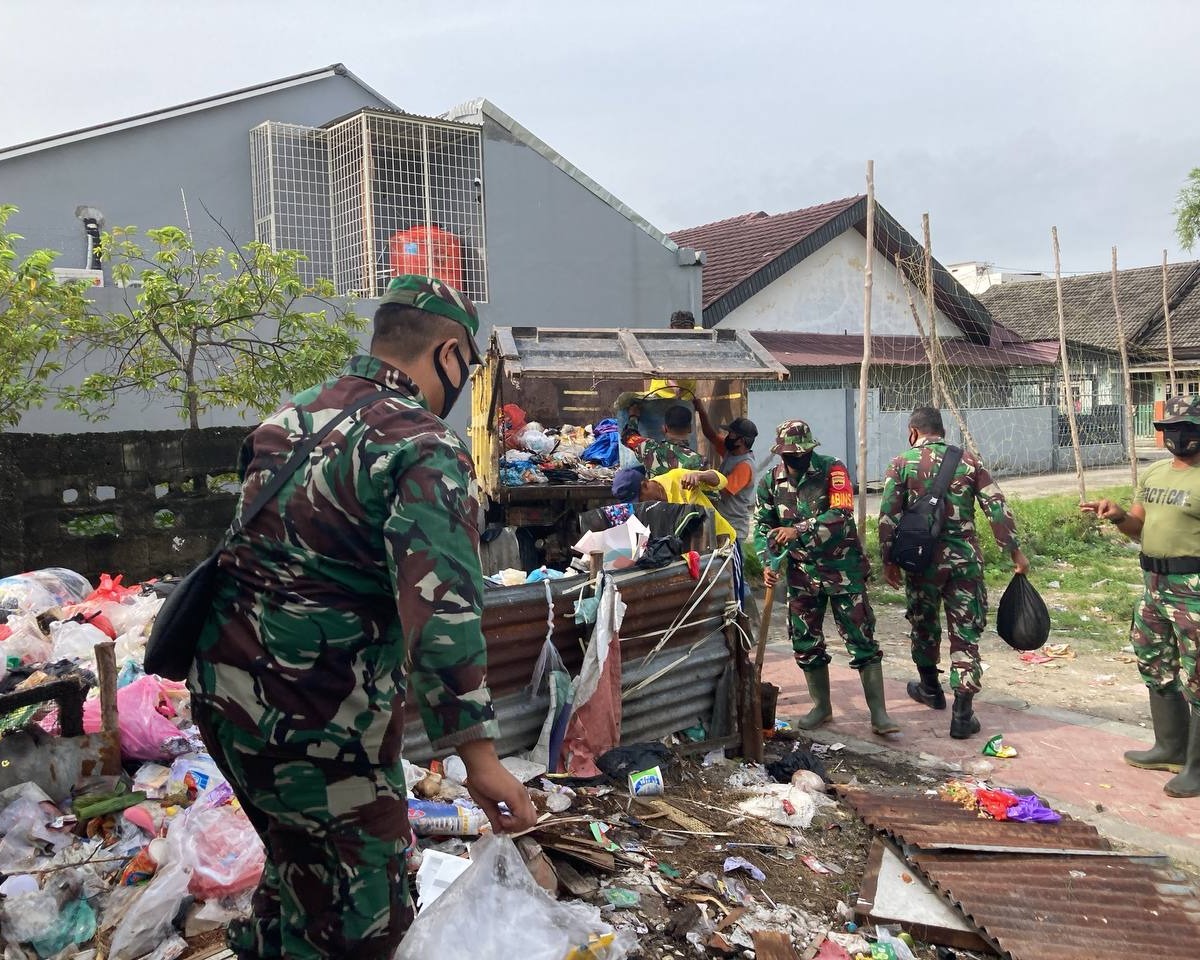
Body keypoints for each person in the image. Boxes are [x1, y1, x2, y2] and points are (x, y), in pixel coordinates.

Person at [189, 275, 537, 960]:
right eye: (465, 368)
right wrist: (480, 759)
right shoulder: (422, 444)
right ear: (447, 354)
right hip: (319, 722)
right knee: (366, 924)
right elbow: (442, 611)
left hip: (226, 703)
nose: (461, 382)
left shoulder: (290, 419)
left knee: (300, 876)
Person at [878, 406, 1029, 740]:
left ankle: (930, 689)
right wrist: (1014, 551)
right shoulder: (969, 462)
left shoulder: (901, 463)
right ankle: (962, 714)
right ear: (942, 431)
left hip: (922, 562)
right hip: (964, 561)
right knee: (965, 634)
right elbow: (995, 505)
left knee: (923, 623)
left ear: (912, 432)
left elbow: (888, 515)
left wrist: (889, 560)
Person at [1081, 394, 1200, 798]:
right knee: (1155, 662)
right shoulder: (1154, 475)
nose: (1179, 437)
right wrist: (1117, 516)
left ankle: (1197, 768)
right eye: (1171, 429)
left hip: (1195, 590)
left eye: (1188, 429)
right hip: (1153, 584)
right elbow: (1138, 527)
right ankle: (1170, 747)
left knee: (1199, 676)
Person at [753, 420, 898, 735]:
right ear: (780, 454)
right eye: (790, 456)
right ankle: (822, 707)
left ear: (810, 450)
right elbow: (761, 525)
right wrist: (768, 562)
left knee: (861, 638)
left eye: (801, 454)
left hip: (842, 569)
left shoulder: (833, 470)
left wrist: (799, 529)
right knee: (806, 641)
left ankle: (879, 715)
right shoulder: (769, 481)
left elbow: (841, 514)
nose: (796, 461)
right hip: (801, 575)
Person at [692, 397, 759, 542]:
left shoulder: (745, 466)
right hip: (722, 522)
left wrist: (703, 475)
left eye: (731, 434)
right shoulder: (731, 451)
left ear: (740, 441)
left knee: (729, 564)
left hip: (733, 527)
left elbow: (724, 490)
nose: (727, 437)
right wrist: (702, 412)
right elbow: (710, 434)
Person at [611, 463, 736, 541]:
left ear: (645, 485)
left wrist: (700, 475)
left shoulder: (677, 478)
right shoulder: (644, 511)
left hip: (722, 542)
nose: (640, 505)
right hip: (693, 556)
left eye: (639, 500)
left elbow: (722, 481)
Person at [625, 402, 707, 476]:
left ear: (664, 428)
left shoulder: (648, 448)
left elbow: (628, 436)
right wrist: (702, 412)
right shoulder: (699, 461)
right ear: (690, 428)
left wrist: (633, 416)